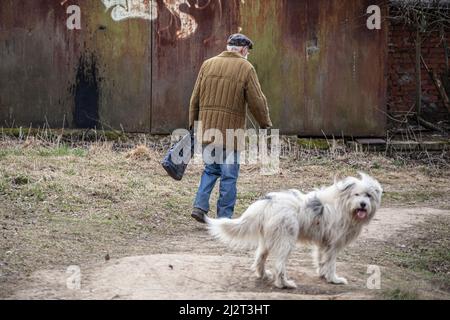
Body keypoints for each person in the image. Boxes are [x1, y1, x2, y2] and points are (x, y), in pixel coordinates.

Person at [189, 33, 272, 223]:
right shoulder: (246, 67)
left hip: (208, 130)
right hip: (230, 134)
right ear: (243, 49)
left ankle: (199, 206)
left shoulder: (208, 64)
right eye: (248, 52)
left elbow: (195, 97)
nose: (248, 55)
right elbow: (257, 100)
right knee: (229, 175)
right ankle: (224, 218)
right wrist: (264, 122)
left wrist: (193, 124)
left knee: (210, 170)